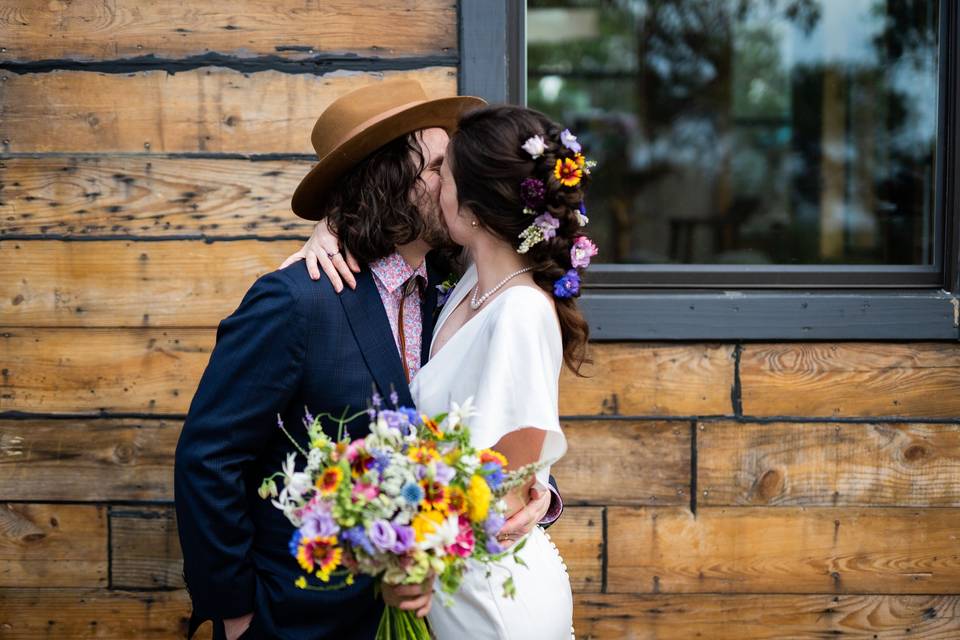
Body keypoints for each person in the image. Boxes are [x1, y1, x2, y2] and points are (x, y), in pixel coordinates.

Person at [174, 81, 558, 640]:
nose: (454, 183)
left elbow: (478, 426)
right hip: (300, 619)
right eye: (435, 168)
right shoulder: (294, 302)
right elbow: (207, 461)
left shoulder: (454, 295)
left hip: (432, 611)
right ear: (385, 180)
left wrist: (534, 493)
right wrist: (235, 612)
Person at [285, 104, 594, 639]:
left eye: (441, 173)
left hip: (490, 599)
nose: (432, 186)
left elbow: (503, 474)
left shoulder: (519, 310)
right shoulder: (461, 288)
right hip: (446, 590)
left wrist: (403, 558)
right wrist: (330, 228)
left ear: (471, 206)